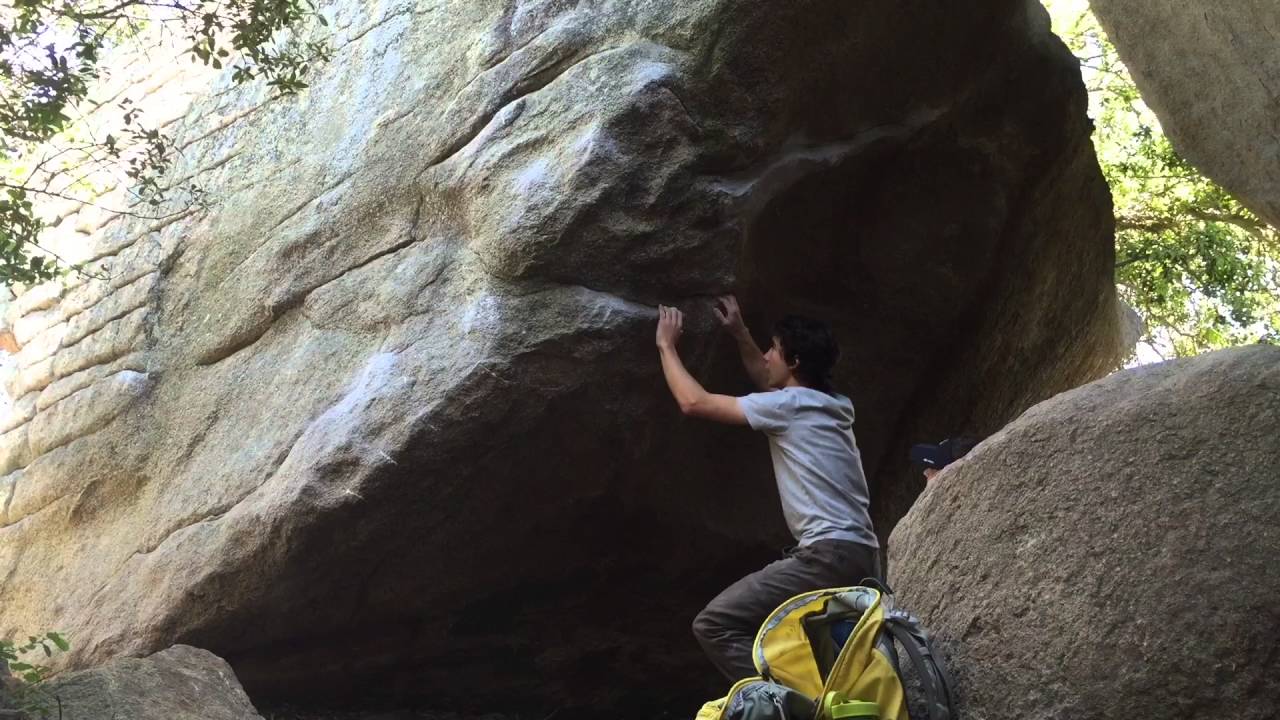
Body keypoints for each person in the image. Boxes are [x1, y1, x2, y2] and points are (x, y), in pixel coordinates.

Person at [655, 295, 880, 682]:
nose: (767, 357)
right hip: (862, 556)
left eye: (773, 350)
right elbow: (767, 378)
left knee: (714, 624)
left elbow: (694, 403)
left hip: (826, 557)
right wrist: (740, 333)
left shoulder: (790, 406)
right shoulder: (831, 405)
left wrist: (666, 346)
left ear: (793, 363)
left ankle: (789, 705)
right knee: (826, 661)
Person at [909, 437, 979, 484]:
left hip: (954, 452)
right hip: (955, 444)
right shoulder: (922, 451)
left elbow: (931, 476)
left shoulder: (917, 456)